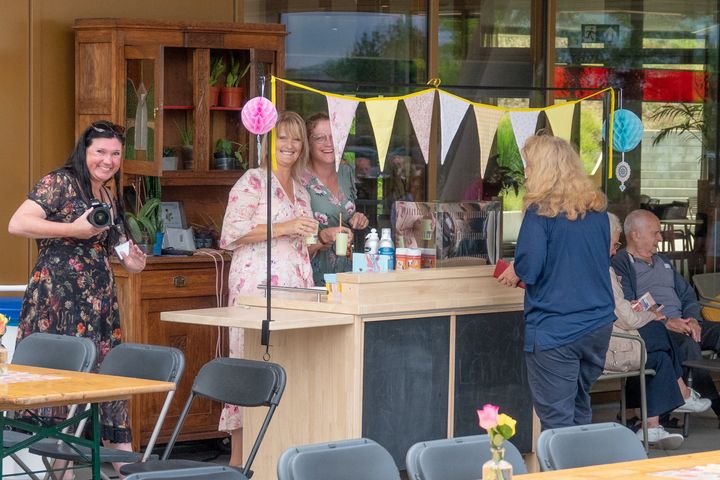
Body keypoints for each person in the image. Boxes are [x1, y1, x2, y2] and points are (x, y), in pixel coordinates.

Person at [8, 120, 147, 472]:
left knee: (108, 386)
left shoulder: (107, 192)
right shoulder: (60, 182)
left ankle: (125, 471)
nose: (108, 160)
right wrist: (74, 229)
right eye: (100, 151)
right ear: (84, 151)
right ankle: (62, 474)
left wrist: (132, 261)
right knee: (60, 392)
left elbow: (117, 245)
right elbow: (18, 223)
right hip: (58, 302)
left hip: (99, 305)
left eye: (115, 153)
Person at [496, 134, 614, 430]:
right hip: (597, 324)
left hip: (556, 328)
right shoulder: (597, 212)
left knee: (557, 421)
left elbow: (531, 267)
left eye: (529, 166)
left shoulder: (541, 213)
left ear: (545, 169)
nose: (525, 173)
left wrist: (516, 270)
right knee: (579, 409)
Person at [218, 111, 317, 466]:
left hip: (294, 287)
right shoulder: (253, 181)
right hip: (256, 285)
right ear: (268, 143)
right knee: (250, 363)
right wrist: (288, 224)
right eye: (282, 138)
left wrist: (323, 236)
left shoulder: (302, 189)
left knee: (284, 363)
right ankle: (238, 461)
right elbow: (232, 233)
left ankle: (276, 457)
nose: (289, 145)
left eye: (296, 139)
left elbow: (297, 239)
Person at [606, 213, 710, 449]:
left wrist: (692, 318)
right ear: (636, 234)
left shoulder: (663, 261)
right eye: (656, 233)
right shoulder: (617, 264)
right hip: (621, 336)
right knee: (666, 339)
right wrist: (662, 320)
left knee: (663, 352)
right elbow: (627, 312)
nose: (661, 238)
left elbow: (687, 294)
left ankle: (651, 427)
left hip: (672, 323)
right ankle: (684, 394)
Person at [303, 112, 369, 285]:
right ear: (308, 143)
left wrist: (358, 218)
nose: (329, 143)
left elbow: (346, 212)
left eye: (333, 137)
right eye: (320, 138)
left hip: (346, 271)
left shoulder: (346, 172)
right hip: (313, 273)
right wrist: (322, 237)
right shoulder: (299, 179)